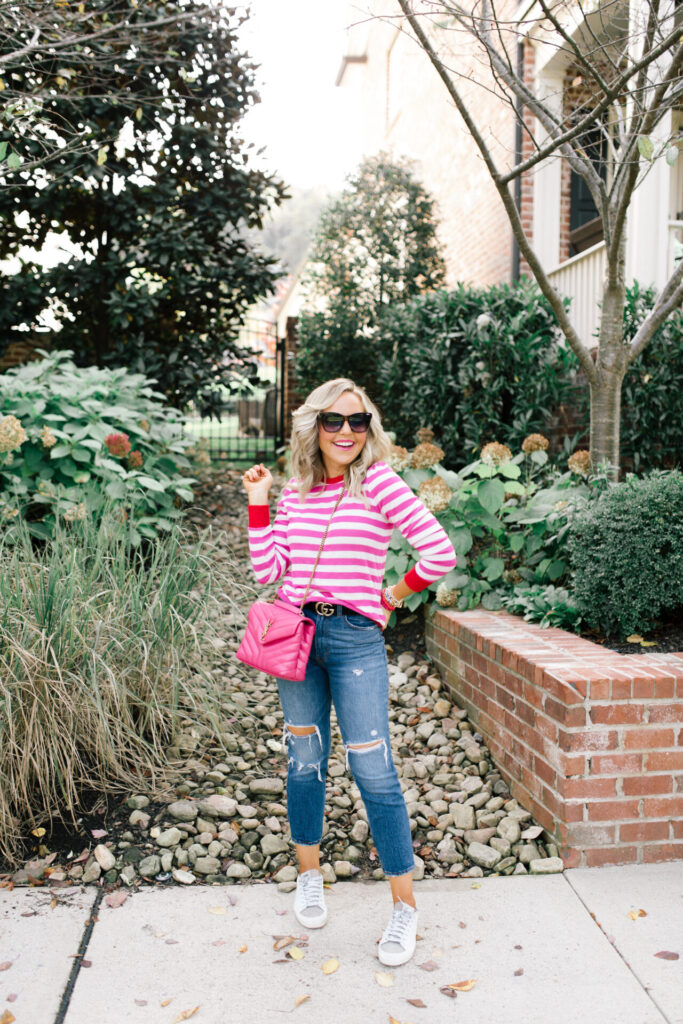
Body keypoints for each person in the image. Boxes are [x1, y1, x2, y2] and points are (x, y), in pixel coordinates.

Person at [242, 378, 456, 967]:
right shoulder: (296, 492)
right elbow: (269, 570)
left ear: (369, 429)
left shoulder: (379, 482)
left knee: (373, 770)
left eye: (357, 422)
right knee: (304, 761)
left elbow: (439, 551)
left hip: (355, 641)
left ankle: (404, 908)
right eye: (333, 421)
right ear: (314, 426)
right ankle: (309, 876)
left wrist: (390, 596)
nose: (345, 432)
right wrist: (259, 502)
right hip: (295, 636)